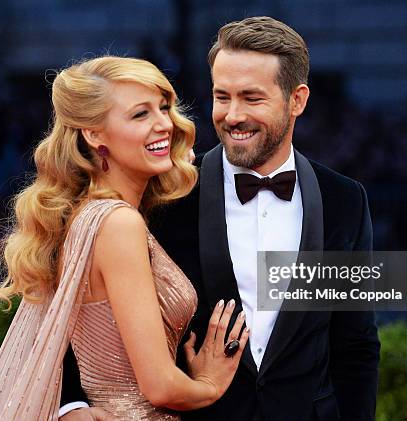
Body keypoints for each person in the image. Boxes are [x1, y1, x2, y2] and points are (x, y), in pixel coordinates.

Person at [61, 16, 380, 421]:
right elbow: (83, 312)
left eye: (251, 98)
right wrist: (72, 408)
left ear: (297, 100)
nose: (232, 115)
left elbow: (356, 345)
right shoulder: (167, 194)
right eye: (222, 96)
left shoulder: (344, 201)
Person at [0, 56, 250, 420]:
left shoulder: (89, 215)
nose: (164, 124)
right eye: (140, 115)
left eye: (163, 109)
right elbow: (159, 386)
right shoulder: (118, 224)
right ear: (94, 134)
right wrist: (209, 384)